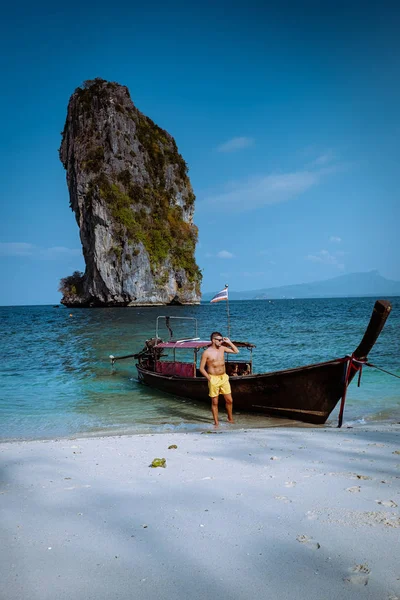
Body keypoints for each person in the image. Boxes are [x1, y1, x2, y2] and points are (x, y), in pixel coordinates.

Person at [199, 332, 239, 426]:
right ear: (213, 340)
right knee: (215, 402)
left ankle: (230, 418)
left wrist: (229, 342)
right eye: (219, 340)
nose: (221, 341)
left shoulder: (222, 348)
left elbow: (236, 351)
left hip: (224, 378)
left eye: (222, 340)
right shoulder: (206, 352)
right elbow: (201, 368)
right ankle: (216, 423)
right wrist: (209, 379)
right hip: (213, 378)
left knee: (229, 400)